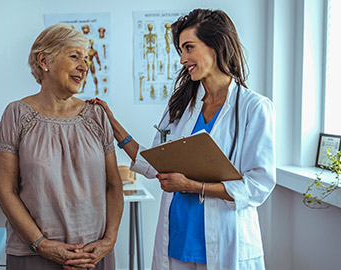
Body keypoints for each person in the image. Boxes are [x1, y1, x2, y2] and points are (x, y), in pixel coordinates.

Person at [89, 9, 275, 270]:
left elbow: (258, 185)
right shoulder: (182, 105)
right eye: (180, 50)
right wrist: (113, 124)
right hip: (177, 240)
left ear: (217, 45)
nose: (182, 59)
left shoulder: (253, 107)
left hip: (224, 242)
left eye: (189, 48)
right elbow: (156, 162)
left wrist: (193, 186)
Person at [0, 23, 124, 270]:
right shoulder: (16, 115)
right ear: (45, 60)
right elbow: (5, 190)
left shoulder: (97, 115)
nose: (84, 67)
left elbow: (114, 185)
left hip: (93, 257)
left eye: (85, 59)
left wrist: (109, 241)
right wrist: (41, 244)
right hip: (34, 255)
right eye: (74, 56)